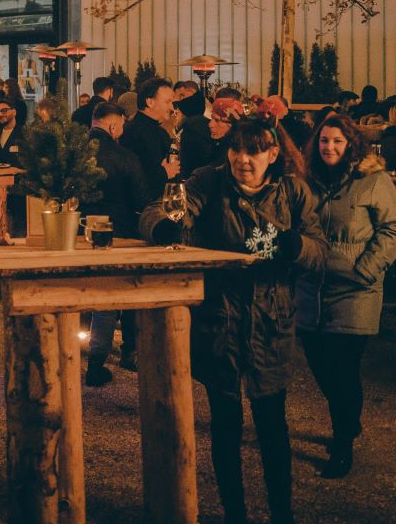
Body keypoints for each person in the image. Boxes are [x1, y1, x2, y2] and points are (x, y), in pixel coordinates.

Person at [141, 113, 326, 524]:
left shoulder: (293, 192)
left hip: (270, 320)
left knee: (272, 427)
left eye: (255, 151)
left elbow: (319, 252)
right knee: (225, 426)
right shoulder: (209, 181)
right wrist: (165, 228)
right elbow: (161, 210)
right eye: (238, 149)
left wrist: (296, 246)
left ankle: (282, 513)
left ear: (273, 153)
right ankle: (234, 514)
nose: (244, 159)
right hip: (219, 320)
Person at [296, 113, 396, 478]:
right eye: (324, 141)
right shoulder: (305, 180)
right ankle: (348, 418)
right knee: (319, 364)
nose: (329, 147)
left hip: (355, 290)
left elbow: (392, 230)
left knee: (343, 370)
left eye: (337, 141)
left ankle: (342, 441)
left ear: (351, 144)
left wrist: (366, 271)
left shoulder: (373, 181)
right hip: (311, 288)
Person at [81, 102, 151, 385]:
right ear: (112, 126)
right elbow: (141, 200)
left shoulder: (74, 153)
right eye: (120, 126)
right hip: (116, 232)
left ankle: (78, 348)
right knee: (108, 298)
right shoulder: (124, 157)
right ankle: (97, 362)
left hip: (76, 230)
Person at [121, 77, 181, 199]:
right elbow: (132, 175)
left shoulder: (159, 130)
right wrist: (164, 172)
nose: (171, 108)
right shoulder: (133, 132)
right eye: (167, 102)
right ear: (150, 102)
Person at [0, 97, 23, 164]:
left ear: (14, 112)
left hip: (17, 173)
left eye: (4, 110)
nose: (0, 114)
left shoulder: (25, 133)